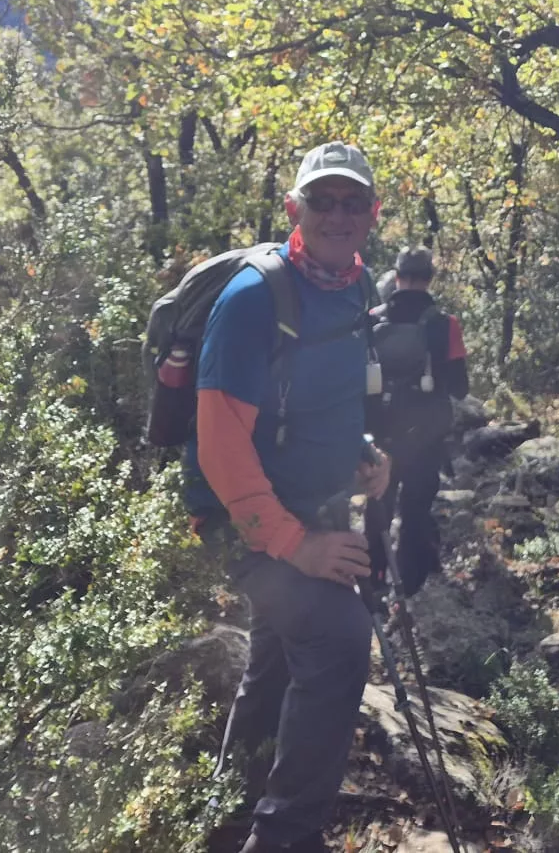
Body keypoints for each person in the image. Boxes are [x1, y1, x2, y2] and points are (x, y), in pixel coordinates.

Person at [187, 140, 393, 853]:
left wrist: (360, 456)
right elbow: (219, 446)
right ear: (293, 209)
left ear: (373, 213)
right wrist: (295, 545)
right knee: (337, 637)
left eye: (352, 202)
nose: (338, 214)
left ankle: (227, 820)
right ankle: (284, 839)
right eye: (322, 200)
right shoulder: (254, 299)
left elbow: (325, 399)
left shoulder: (356, 289)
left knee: (276, 661)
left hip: (306, 507)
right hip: (242, 520)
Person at [364, 245, 470, 593]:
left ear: (397, 277)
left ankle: (373, 581)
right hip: (425, 435)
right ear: (429, 279)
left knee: (378, 502)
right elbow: (459, 387)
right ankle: (408, 587)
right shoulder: (445, 324)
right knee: (416, 507)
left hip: (380, 431)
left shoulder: (372, 318)